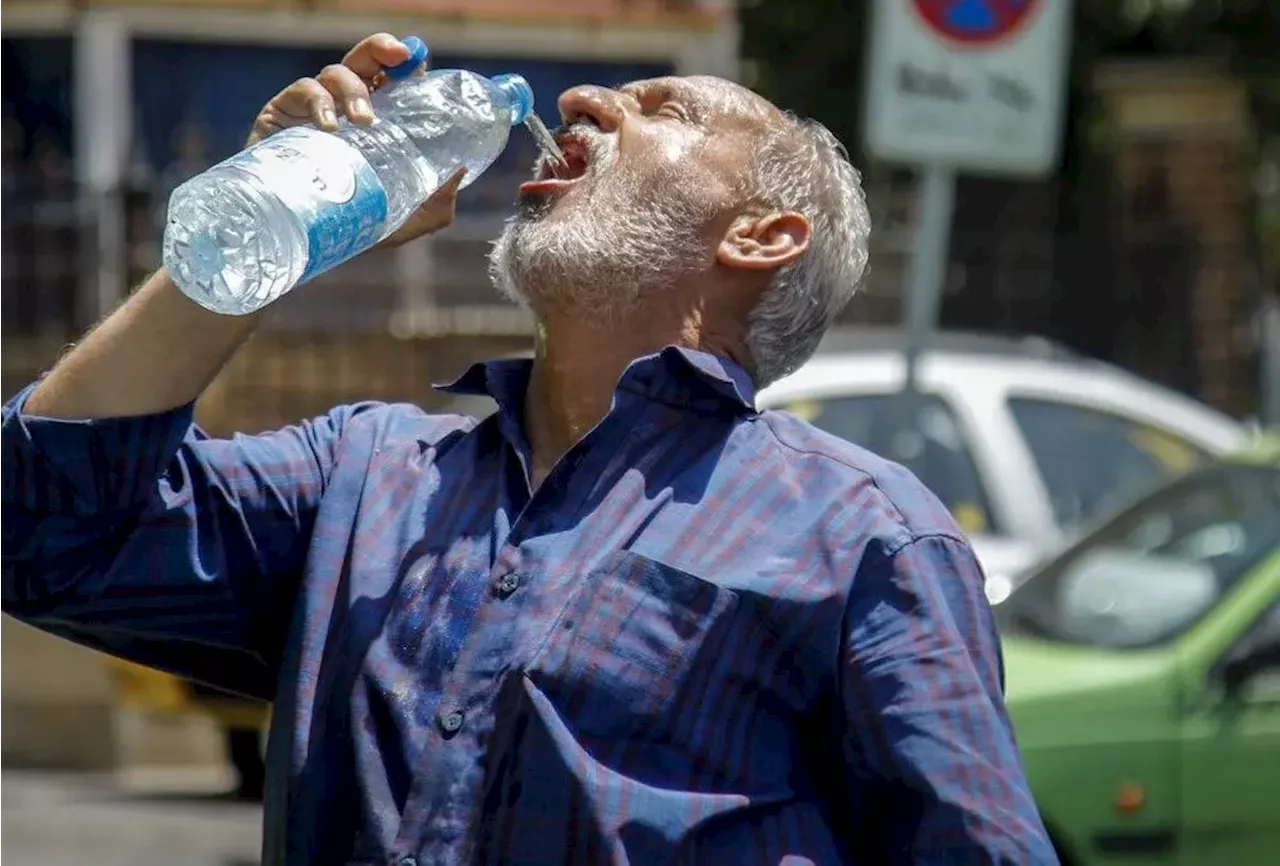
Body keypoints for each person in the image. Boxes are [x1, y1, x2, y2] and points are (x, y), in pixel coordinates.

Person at [0, 33, 1057, 866]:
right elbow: (39, 522)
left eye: (664, 109)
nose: (579, 102)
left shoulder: (862, 534)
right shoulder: (363, 478)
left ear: (760, 234)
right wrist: (257, 231)